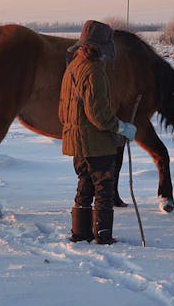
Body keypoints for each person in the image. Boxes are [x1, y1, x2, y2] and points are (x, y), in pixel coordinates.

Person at [59, 20, 137, 244]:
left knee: (84, 183)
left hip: (77, 140)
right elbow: (99, 115)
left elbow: (62, 108)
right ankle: (103, 237)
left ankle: (80, 233)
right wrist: (121, 127)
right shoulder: (94, 71)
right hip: (96, 143)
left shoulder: (73, 66)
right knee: (104, 187)